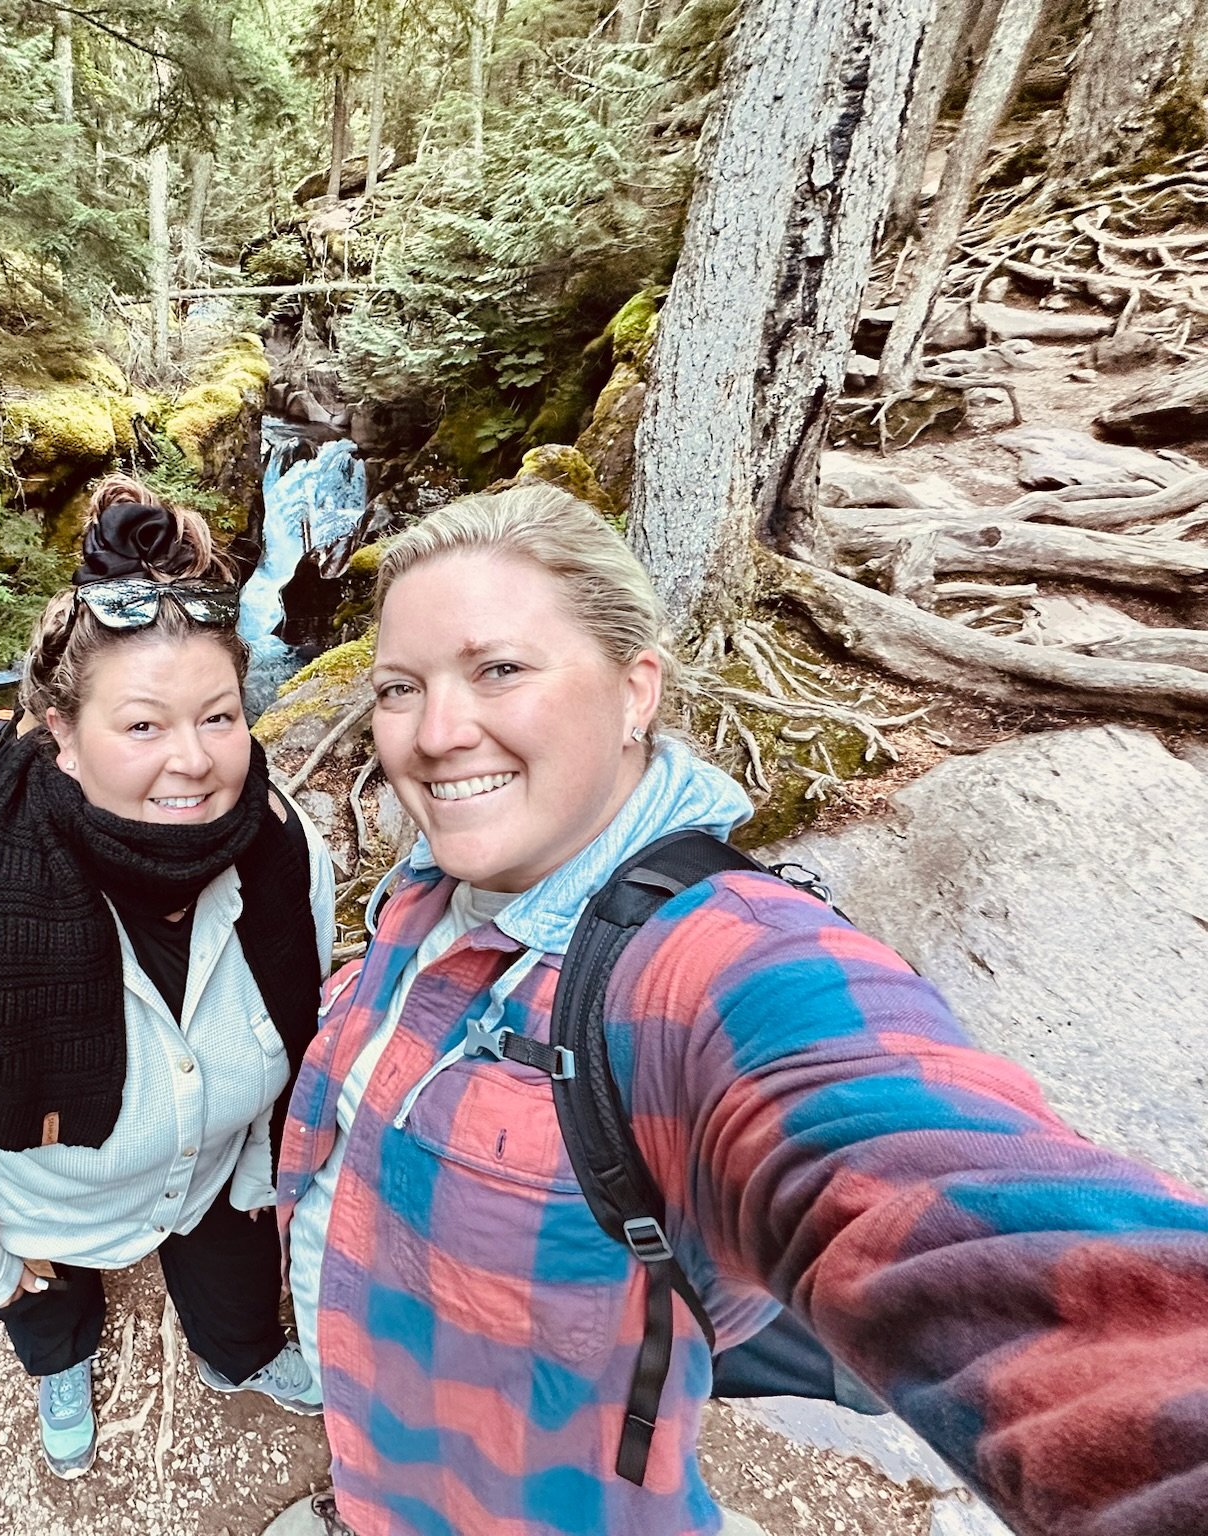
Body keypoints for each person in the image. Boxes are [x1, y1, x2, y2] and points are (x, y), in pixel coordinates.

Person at [279, 484, 1208, 1535]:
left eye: (497, 668)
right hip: (384, 1443)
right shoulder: (428, 886)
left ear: (634, 690)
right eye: (400, 687)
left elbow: (952, 1204)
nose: (435, 733)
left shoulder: (720, 967)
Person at [0, 477, 335, 1480]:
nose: (195, 763)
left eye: (217, 717)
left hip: (212, 1178)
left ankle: (236, 1356)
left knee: (237, 1303)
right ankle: (60, 1359)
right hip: (47, 1209)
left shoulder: (288, 860)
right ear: (59, 735)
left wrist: (254, 1169)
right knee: (46, 1303)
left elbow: (294, 1031)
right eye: (144, 726)